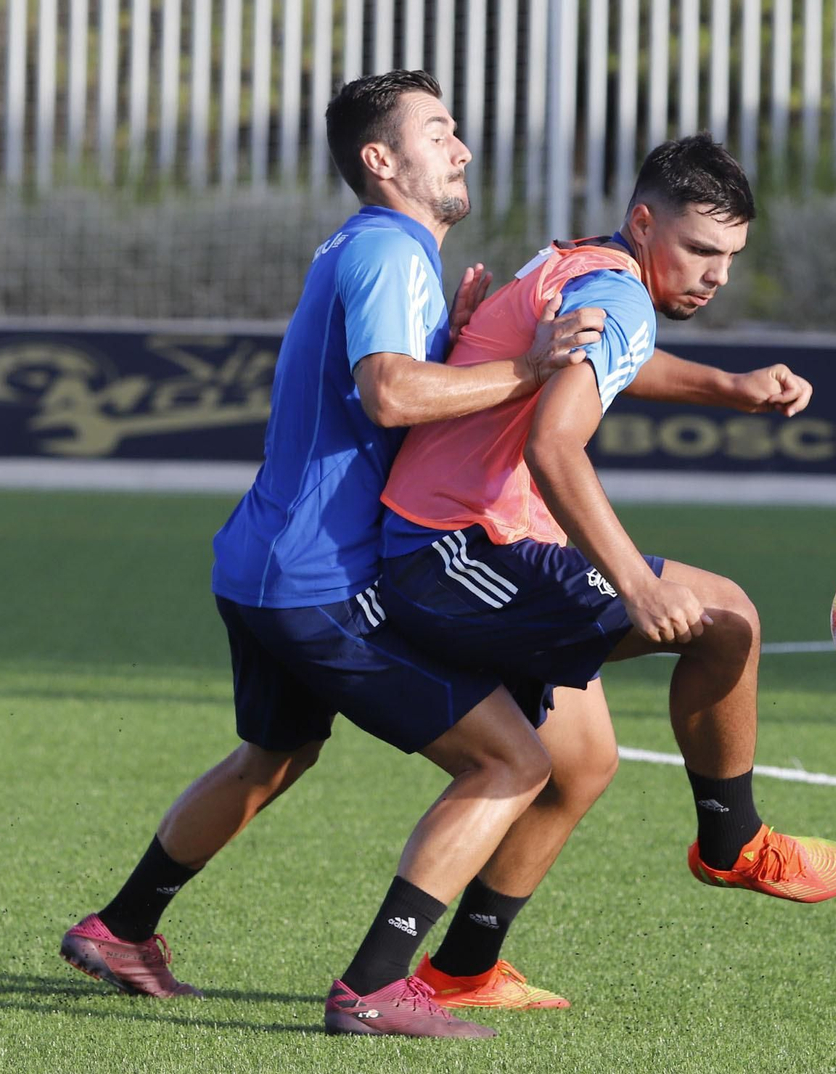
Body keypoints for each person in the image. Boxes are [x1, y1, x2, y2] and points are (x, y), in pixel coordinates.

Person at [57, 70, 606, 1039]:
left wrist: (458, 336)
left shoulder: (370, 250)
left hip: (261, 562)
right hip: (320, 578)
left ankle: (121, 927)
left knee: (276, 754)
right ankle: (376, 984)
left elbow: (377, 390)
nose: (461, 148)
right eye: (438, 132)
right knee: (511, 763)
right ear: (379, 159)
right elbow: (392, 394)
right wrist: (525, 365)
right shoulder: (391, 248)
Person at [376, 134, 836, 1010]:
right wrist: (637, 586)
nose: (716, 276)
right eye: (701, 251)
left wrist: (731, 388)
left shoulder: (587, 264)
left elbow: (614, 358)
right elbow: (553, 446)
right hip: (450, 553)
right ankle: (734, 841)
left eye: (731, 258)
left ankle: (462, 973)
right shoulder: (618, 291)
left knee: (583, 763)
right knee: (729, 619)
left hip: (461, 542)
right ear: (646, 222)